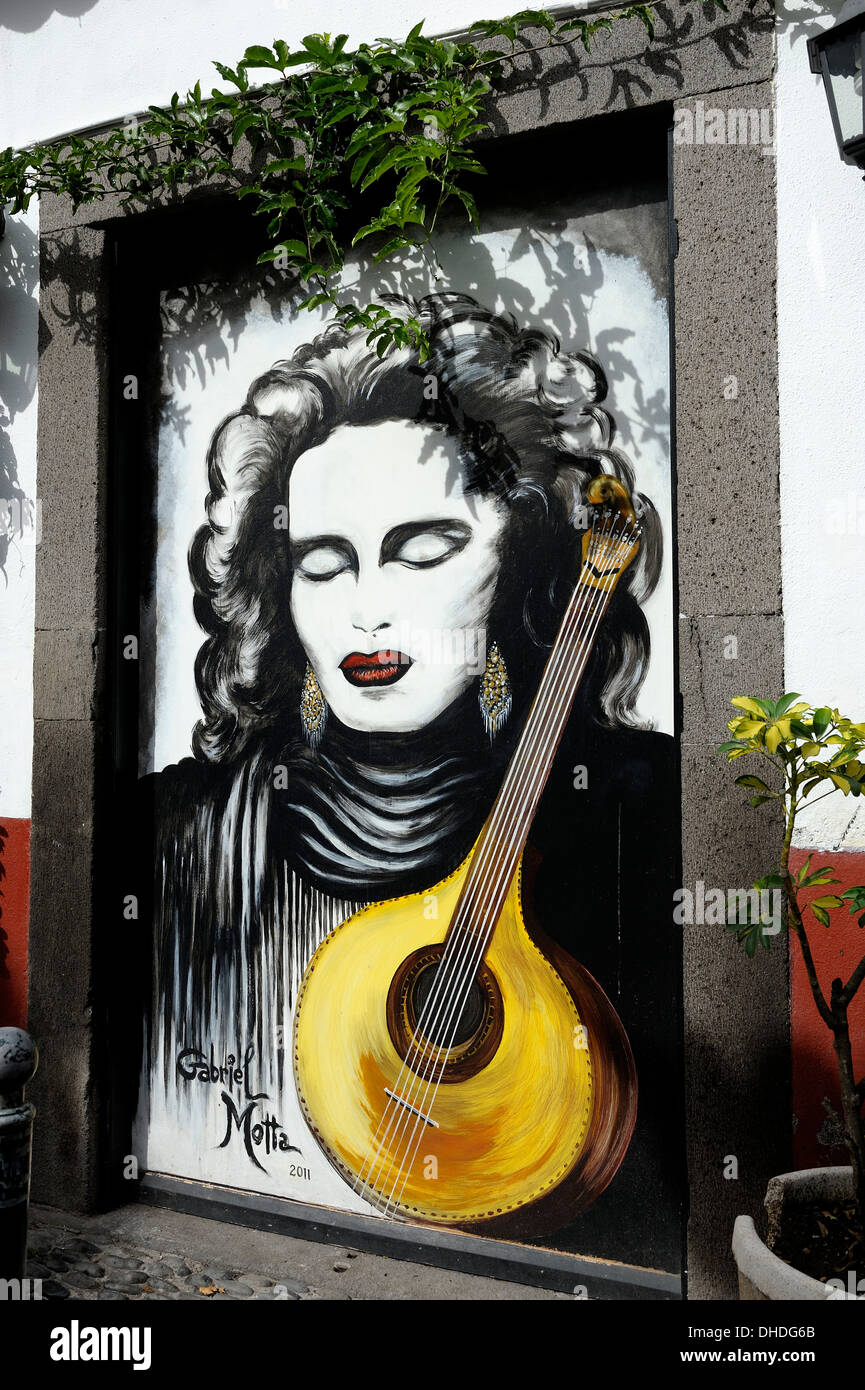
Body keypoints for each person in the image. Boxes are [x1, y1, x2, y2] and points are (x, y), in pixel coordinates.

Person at [134, 292, 680, 1255]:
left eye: (422, 550)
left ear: (522, 561)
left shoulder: (634, 805)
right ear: (277, 585)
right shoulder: (186, 828)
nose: (367, 613)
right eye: (323, 562)